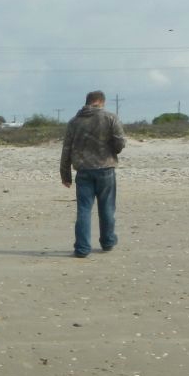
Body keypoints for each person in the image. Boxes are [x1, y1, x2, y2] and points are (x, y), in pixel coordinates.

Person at [60, 90, 126, 258]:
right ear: (101, 102)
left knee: (84, 210)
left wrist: (65, 174)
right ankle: (108, 241)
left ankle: (82, 248)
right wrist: (112, 148)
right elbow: (120, 142)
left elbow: (66, 149)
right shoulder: (110, 118)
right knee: (107, 208)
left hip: (83, 171)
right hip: (105, 169)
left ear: (88, 102)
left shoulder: (74, 122)